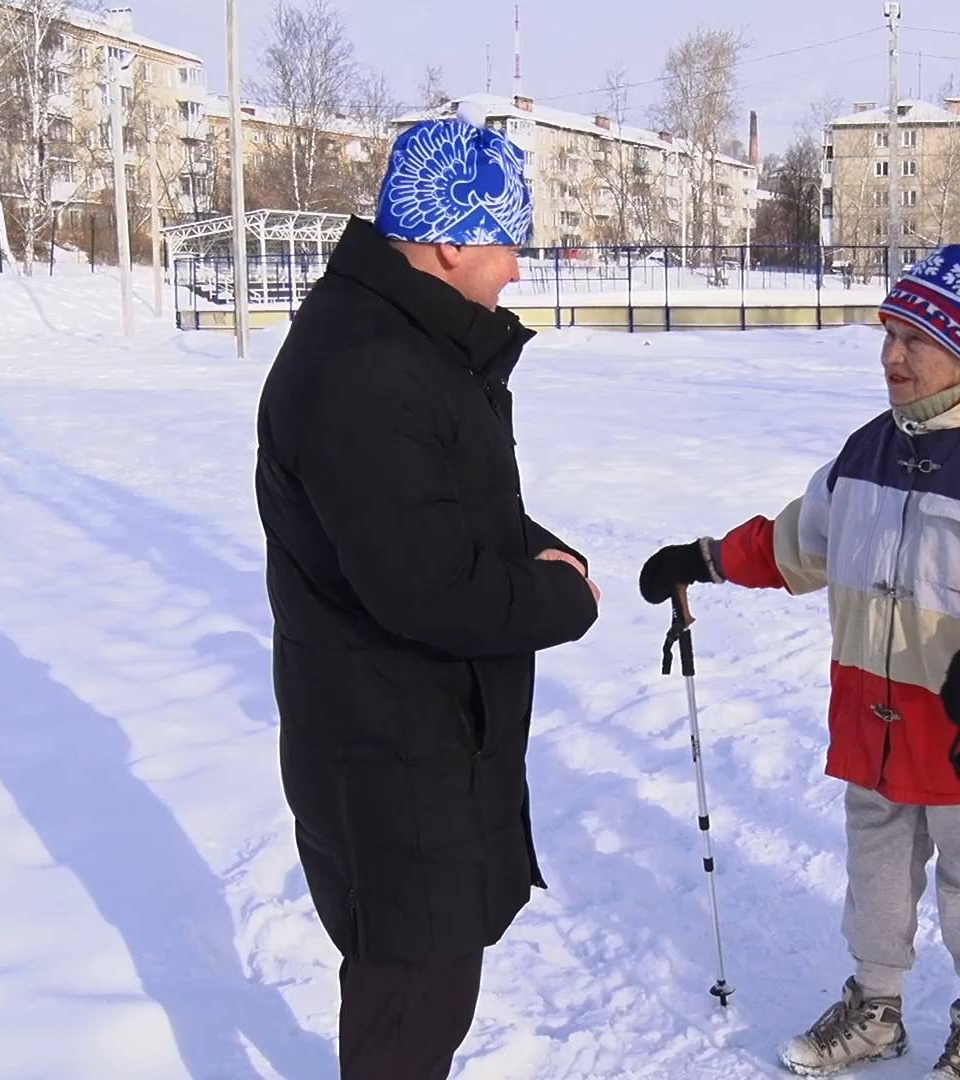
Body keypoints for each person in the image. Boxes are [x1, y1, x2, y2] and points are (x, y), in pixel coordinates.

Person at [640, 246, 960, 1079]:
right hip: (877, 726)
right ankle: (875, 1009)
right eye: (887, 334)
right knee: (875, 884)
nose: (891, 357)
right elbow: (795, 545)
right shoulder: (869, 448)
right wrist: (701, 559)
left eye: (914, 339)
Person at [256, 116, 601, 1079]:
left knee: (424, 996)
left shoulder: (414, 343)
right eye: (507, 243)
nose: (517, 271)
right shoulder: (368, 367)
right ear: (451, 241)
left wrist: (543, 551)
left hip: (423, 742)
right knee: (408, 1010)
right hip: (391, 756)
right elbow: (427, 586)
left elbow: (455, 511)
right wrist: (562, 603)